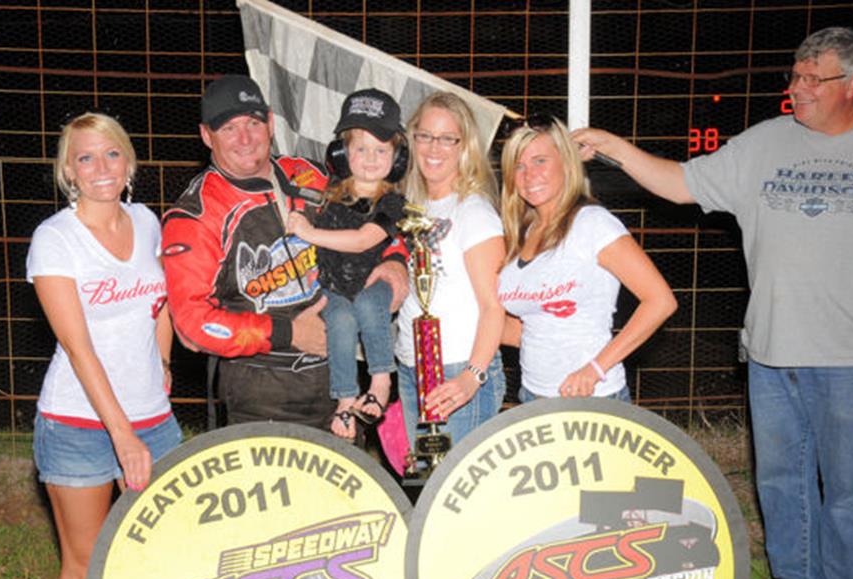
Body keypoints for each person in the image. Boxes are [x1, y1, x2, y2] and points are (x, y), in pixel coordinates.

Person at [573, 27, 853, 579]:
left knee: (845, 488)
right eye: (795, 77)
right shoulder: (766, 143)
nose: (797, 89)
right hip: (771, 352)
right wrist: (612, 145)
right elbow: (679, 183)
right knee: (779, 480)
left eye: (813, 79)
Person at [160, 76, 408, 428]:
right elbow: (193, 324)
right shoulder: (196, 214)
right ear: (206, 136)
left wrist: (395, 262)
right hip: (259, 395)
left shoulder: (307, 175)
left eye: (253, 123)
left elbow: (376, 216)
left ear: (271, 123)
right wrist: (288, 334)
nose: (245, 138)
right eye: (229, 128)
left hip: (338, 382)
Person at [27, 112, 182, 579]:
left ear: (129, 161)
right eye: (85, 157)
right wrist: (122, 435)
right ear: (69, 170)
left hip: (154, 419)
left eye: (111, 153)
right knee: (86, 558)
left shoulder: (147, 222)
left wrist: (162, 364)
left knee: (160, 548)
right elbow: (78, 346)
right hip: (77, 423)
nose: (100, 167)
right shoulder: (55, 240)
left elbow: (161, 303)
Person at [497, 115, 676, 402]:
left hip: (594, 396)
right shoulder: (521, 233)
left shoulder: (593, 224)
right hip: (533, 396)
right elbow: (530, 328)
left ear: (567, 164)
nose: (529, 175)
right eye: (519, 165)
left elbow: (661, 302)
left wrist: (595, 369)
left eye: (540, 160)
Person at [285, 88, 409, 441]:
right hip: (335, 287)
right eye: (360, 149)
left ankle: (381, 379)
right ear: (341, 154)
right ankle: (345, 401)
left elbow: (363, 240)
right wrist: (298, 220)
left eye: (381, 150)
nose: (371, 159)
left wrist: (309, 233)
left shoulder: (392, 202)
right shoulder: (330, 192)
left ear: (397, 159)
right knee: (338, 321)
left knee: (371, 306)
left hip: (371, 281)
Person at [396, 91, 507, 447]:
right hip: (412, 366)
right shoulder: (415, 206)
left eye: (447, 139)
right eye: (425, 135)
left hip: (458, 369)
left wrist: (472, 377)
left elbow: (494, 306)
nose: (433, 148)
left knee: (458, 496)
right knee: (426, 491)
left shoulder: (473, 212)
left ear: (465, 146)